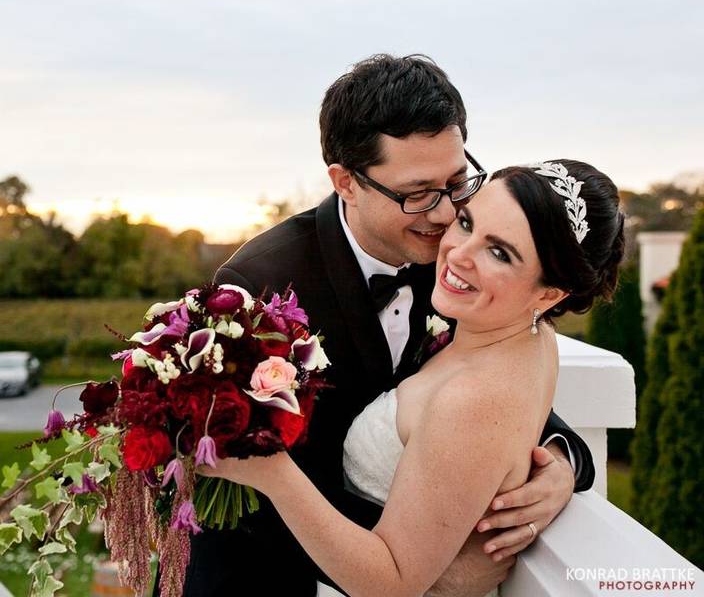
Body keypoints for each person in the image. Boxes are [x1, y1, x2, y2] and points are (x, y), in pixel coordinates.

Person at [182, 54, 597, 596]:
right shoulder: (262, 287)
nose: (447, 214)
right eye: (418, 193)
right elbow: (258, 483)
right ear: (346, 182)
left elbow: (498, 380)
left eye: (458, 181)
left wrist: (564, 461)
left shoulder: (454, 259)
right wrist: (432, 574)